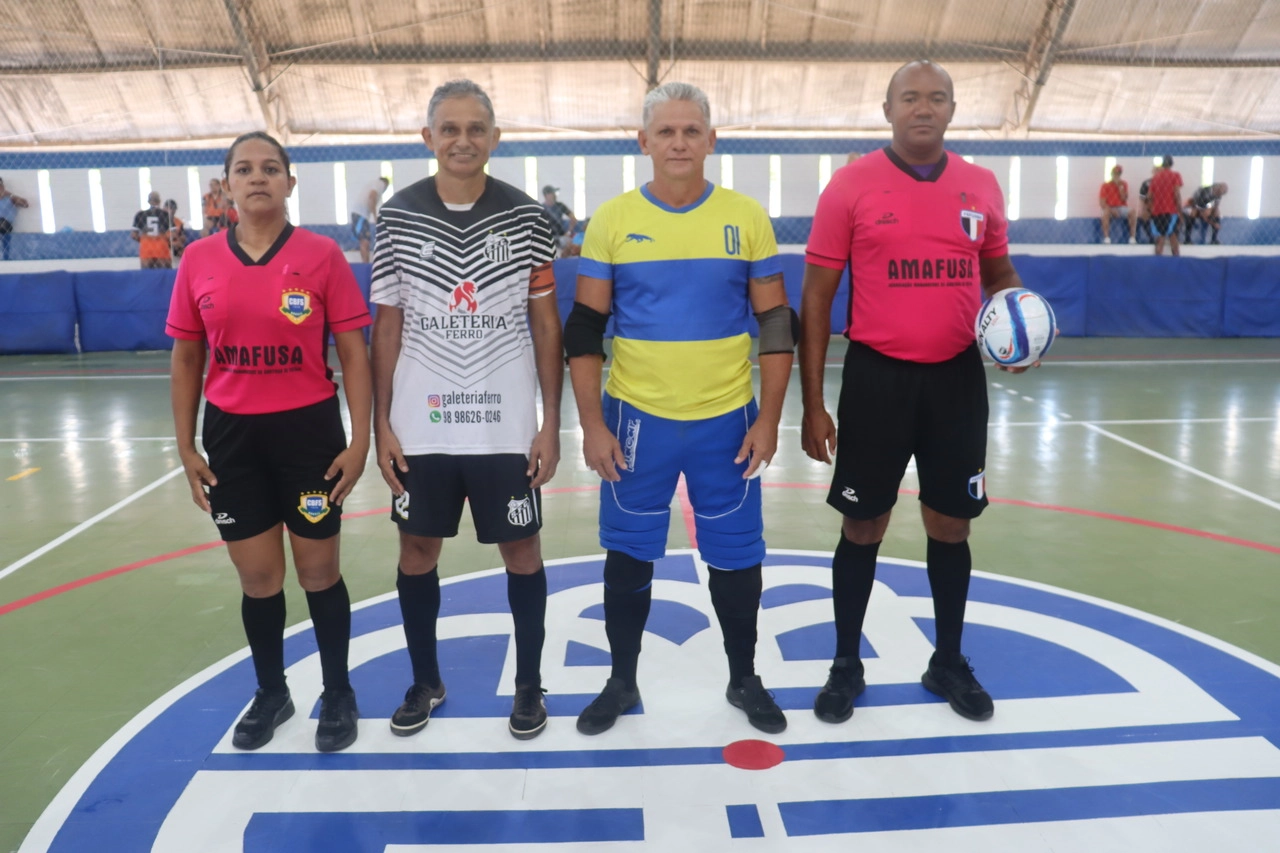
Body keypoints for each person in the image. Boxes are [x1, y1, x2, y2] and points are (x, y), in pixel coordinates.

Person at [798, 59, 1036, 727]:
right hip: (877, 376)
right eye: (911, 97)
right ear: (888, 109)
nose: (923, 107)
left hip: (957, 377)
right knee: (863, 522)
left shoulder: (981, 185)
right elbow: (816, 297)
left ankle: (948, 660)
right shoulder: (850, 186)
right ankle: (846, 662)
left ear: (953, 110)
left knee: (950, 522)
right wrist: (814, 402)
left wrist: (1017, 327)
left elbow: (998, 271)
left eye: (936, 98)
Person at [566, 81, 795, 737]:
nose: (678, 142)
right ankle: (621, 680)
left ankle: (744, 676)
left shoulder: (745, 216)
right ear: (643, 142)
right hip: (636, 420)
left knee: (736, 555)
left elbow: (775, 324)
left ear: (711, 140)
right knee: (630, 553)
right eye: (665, 131)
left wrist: (769, 416)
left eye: (691, 130)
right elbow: (585, 329)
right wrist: (593, 425)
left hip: (727, 419)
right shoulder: (611, 220)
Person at [166, 132, 372, 753]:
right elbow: (185, 359)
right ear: (225, 184)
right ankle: (271, 691)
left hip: (309, 433)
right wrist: (186, 447)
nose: (258, 178)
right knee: (258, 577)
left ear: (289, 181)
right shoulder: (198, 259)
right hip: (233, 438)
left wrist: (360, 439)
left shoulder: (321, 256)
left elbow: (355, 356)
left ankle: (337, 691)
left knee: (318, 571)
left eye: (270, 168)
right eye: (244, 169)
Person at [370, 80, 563, 741]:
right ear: (428, 138)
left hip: (504, 420)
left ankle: (529, 686)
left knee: (523, 550)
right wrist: (381, 424)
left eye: (476, 128)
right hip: (422, 422)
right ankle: (427, 679)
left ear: (495, 138)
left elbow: (546, 326)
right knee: (417, 548)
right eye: (449, 128)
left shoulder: (529, 218)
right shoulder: (395, 218)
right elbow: (387, 327)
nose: (462, 140)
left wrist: (548, 422)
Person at [1148, 155, 1183, 257]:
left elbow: (1149, 196)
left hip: (1157, 211)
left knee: (1160, 238)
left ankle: (1158, 263)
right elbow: (1176, 193)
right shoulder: (1175, 175)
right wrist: (1179, 209)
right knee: (1173, 236)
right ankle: (1176, 262)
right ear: (1171, 164)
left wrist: (1151, 209)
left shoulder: (1155, 178)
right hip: (1170, 210)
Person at [132, 191, 176, 269]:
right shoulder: (165, 215)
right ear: (159, 201)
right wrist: (165, 239)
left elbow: (134, 235)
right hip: (161, 245)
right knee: (165, 273)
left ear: (148, 201)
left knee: (146, 275)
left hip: (146, 246)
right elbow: (173, 234)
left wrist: (143, 239)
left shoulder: (140, 215)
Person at [352, 176, 389, 263]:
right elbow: (372, 197)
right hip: (360, 214)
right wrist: (375, 216)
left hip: (360, 215)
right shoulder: (380, 184)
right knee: (365, 241)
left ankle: (366, 262)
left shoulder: (373, 183)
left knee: (365, 240)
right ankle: (365, 264)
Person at [1098, 164, 1137, 244]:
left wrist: (1120, 188)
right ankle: (1106, 238)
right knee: (1105, 213)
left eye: (1118, 174)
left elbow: (1124, 198)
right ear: (1112, 174)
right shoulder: (1105, 185)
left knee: (1133, 212)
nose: (1116, 176)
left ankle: (1132, 238)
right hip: (1110, 208)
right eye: (1115, 174)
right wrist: (1111, 211)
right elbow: (1102, 203)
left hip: (1121, 207)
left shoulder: (1124, 184)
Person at [541, 185, 577, 255]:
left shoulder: (560, 205)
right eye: (552, 193)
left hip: (561, 237)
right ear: (546, 195)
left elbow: (573, 218)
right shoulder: (541, 208)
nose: (555, 195)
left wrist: (569, 232)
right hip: (548, 238)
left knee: (570, 246)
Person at [0, 177, 29, 261]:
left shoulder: (9, 198)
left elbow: (25, 204)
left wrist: (10, 195)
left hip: (5, 224)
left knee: (2, 224)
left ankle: (6, 255)